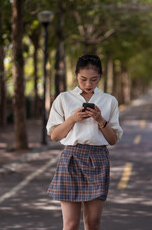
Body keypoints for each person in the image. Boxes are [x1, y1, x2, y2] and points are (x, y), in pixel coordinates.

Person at [46, 54, 123, 230]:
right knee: (71, 224)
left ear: (100, 77)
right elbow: (55, 136)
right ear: (76, 76)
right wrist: (72, 119)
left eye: (94, 79)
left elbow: (113, 140)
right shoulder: (64, 99)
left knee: (93, 223)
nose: (88, 84)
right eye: (83, 79)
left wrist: (100, 120)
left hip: (98, 159)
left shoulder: (109, 101)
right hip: (71, 158)